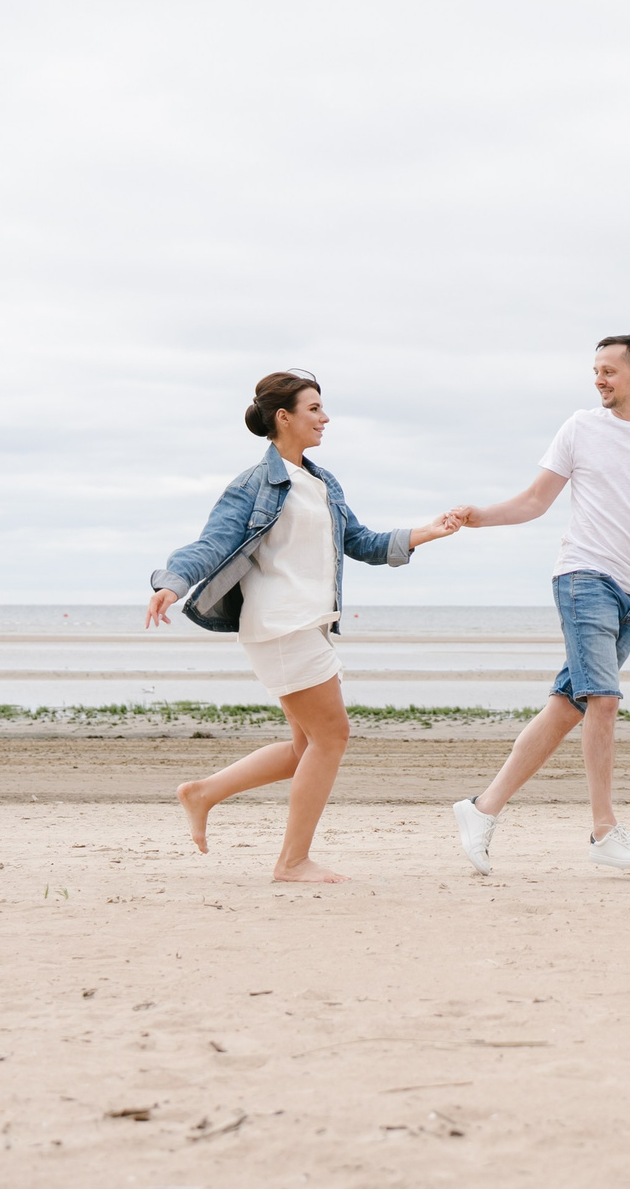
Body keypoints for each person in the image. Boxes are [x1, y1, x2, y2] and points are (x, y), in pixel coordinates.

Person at [145, 370, 460, 883]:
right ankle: (292, 861)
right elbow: (212, 542)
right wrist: (172, 582)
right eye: (314, 408)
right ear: (284, 417)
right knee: (332, 737)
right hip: (279, 624)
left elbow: (361, 542)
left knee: (304, 749)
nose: (325, 418)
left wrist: (430, 531)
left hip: (308, 625)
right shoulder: (254, 484)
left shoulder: (321, 482)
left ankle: (202, 793)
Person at [446, 334, 630, 874]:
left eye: (609, 371)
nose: (599, 379)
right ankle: (604, 832)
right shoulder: (580, 428)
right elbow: (535, 500)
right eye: (595, 370)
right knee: (604, 700)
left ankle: (481, 809)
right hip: (583, 575)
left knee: (569, 705)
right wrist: (480, 515)